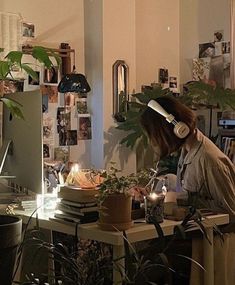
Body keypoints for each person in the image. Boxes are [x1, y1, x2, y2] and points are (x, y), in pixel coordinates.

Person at [140, 95, 235, 285]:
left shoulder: (209, 160)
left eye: (153, 136)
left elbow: (232, 215)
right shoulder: (189, 150)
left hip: (210, 243)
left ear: (173, 129)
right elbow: (191, 195)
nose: (153, 142)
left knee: (149, 258)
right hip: (194, 235)